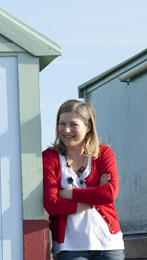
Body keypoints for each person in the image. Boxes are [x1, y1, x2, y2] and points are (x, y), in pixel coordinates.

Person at [42, 99, 125, 260]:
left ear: (88, 127)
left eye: (73, 124)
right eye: (62, 124)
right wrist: (93, 198)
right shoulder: (50, 157)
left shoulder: (103, 154)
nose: (66, 130)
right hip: (70, 247)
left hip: (108, 244)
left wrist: (68, 194)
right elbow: (51, 204)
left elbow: (109, 194)